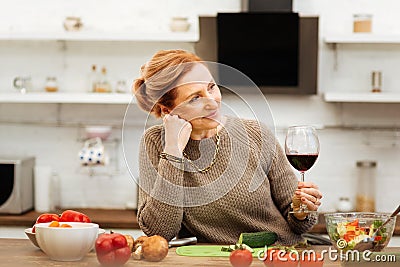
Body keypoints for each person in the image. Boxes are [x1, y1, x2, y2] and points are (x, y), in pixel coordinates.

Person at [133, 49, 323, 245]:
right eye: (195, 98)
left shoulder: (256, 134)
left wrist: (302, 210)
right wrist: (173, 150)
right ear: (168, 110)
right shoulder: (156, 143)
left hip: (278, 254)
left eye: (211, 87)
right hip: (214, 261)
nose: (212, 101)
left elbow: (299, 223)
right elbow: (160, 232)